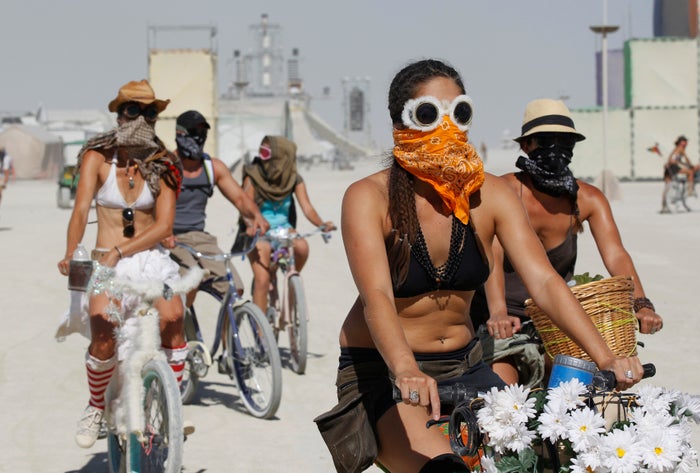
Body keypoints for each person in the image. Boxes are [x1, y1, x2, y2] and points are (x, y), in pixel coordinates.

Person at [314, 59, 644, 473]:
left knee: (539, 458)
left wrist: (606, 356)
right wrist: (405, 369)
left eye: (459, 112)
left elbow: (542, 279)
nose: (446, 127)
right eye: (429, 114)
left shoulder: (491, 193)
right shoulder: (369, 197)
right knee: (445, 469)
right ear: (402, 121)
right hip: (387, 370)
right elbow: (376, 295)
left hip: (465, 364)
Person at [470, 99, 664, 389]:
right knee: (502, 396)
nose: (556, 150)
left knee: (585, 396)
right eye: (546, 141)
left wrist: (641, 303)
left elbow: (616, 256)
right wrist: (498, 311)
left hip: (557, 321)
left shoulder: (587, 199)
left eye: (565, 142)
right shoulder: (504, 191)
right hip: (500, 322)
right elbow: (492, 252)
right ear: (526, 146)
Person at [57, 79, 187, 449]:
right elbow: (81, 208)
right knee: (103, 331)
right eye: (134, 110)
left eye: (150, 112)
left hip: (150, 261)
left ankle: (170, 407)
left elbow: (164, 225)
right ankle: (96, 405)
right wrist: (71, 251)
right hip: (105, 263)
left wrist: (123, 251)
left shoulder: (164, 164)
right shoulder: (97, 158)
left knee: (173, 319)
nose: (143, 118)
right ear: (118, 114)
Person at [167, 110, 269, 309]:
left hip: (201, 238)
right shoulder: (167, 165)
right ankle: (180, 335)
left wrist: (256, 215)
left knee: (234, 289)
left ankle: (230, 338)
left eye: (202, 131)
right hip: (171, 238)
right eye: (193, 131)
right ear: (180, 134)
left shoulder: (212, 167)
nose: (198, 136)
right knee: (188, 283)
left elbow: (240, 198)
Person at [241, 135, 335, 313]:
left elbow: (307, 208)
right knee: (262, 280)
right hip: (260, 229)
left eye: (267, 153)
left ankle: (292, 283)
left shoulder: (294, 179)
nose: (262, 157)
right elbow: (245, 206)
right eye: (261, 152)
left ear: (281, 157)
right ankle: (261, 335)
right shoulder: (253, 176)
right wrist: (250, 224)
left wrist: (322, 224)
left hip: (283, 227)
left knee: (302, 247)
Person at [662, 135, 700, 212]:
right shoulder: (681, 149)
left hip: (668, 168)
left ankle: (664, 207)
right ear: (681, 143)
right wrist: (692, 166)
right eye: (684, 142)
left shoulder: (676, 149)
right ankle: (690, 191)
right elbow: (686, 160)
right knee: (690, 172)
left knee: (667, 188)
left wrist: (688, 165)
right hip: (673, 167)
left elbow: (677, 161)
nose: (686, 144)